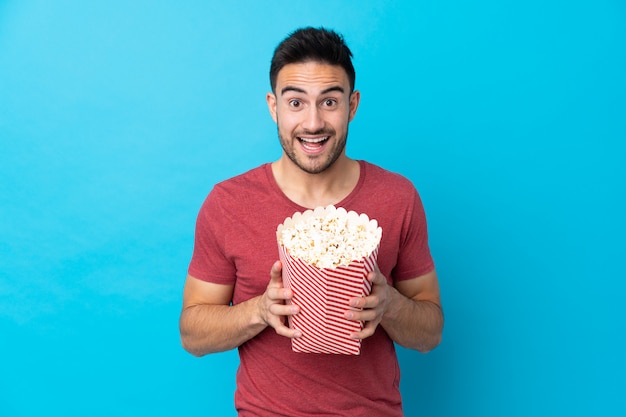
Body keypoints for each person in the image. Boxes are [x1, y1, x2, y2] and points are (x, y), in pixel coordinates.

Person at [180, 27, 443, 416]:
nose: (314, 122)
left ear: (352, 105)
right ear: (274, 107)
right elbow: (192, 335)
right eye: (296, 102)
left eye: (330, 102)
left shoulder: (397, 198)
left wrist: (390, 305)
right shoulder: (228, 204)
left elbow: (430, 332)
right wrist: (260, 311)